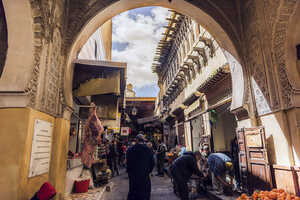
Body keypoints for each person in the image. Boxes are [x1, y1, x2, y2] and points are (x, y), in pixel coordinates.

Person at [126, 134, 155, 200]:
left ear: (136, 140)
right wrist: (148, 171)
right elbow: (152, 163)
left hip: (133, 177)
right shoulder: (148, 149)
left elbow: (128, 163)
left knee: (133, 194)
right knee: (144, 194)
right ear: (143, 141)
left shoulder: (130, 150)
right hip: (144, 176)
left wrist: (130, 173)